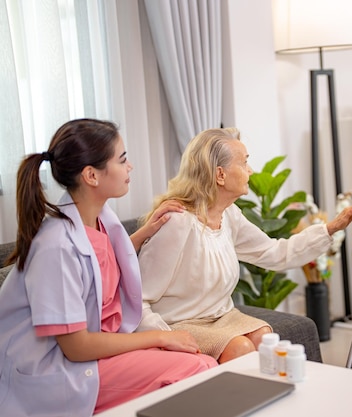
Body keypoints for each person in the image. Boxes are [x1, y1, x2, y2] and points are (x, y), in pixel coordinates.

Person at [0, 119, 218, 417]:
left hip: (93, 352)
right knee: (199, 369)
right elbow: (75, 347)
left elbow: (95, 261)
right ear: (91, 175)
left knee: (200, 365)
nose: (130, 167)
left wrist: (145, 233)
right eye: (122, 159)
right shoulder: (55, 246)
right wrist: (160, 337)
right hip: (59, 371)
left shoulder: (98, 217)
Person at [136, 127, 352, 363]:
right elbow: (139, 297)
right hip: (179, 323)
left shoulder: (229, 214)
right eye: (244, 163)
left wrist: (331, 227)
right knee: (239, 348)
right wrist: (165, 338)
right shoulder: (176, 222)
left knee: (264, 336)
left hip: (221, 316)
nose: (250, 171)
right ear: (220, 175)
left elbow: (275, 253)